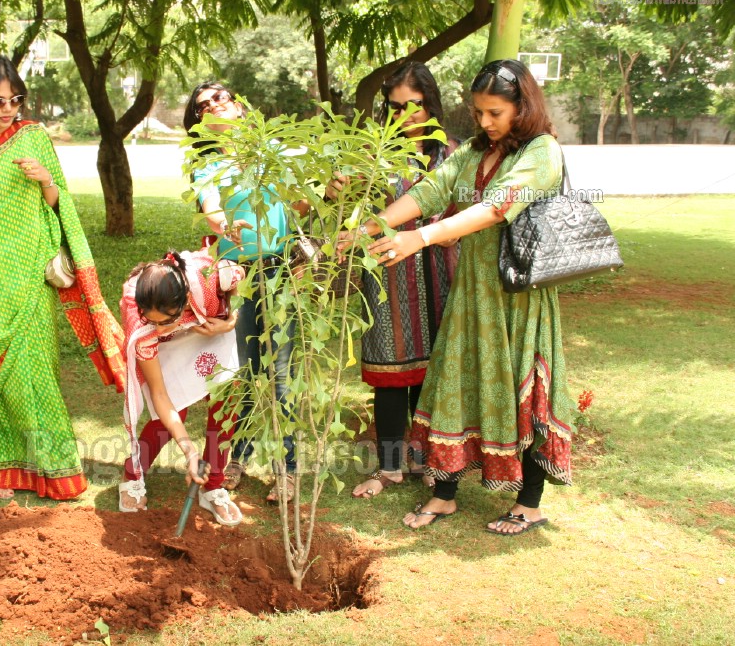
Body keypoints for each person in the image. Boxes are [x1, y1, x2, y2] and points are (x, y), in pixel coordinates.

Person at [353, 59, 574, 534]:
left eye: (495, 113)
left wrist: (423, 238)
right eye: (478, 113)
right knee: (454, 384)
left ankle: (529, 503)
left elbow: (495, 207)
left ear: (524, 105)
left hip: (518, 297)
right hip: (471, 293)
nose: (485, 123)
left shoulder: (542, 151)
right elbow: (430, 191)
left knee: (523, 389)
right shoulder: (475, 151)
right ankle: (445, 495)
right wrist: (367, 229)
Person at [0, 55, 124, 500]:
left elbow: (59, 203)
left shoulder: (34, 137)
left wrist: (46, 181)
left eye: (15, 100)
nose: (8, 109)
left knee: (37, 370)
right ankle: (2, 464)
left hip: (31, 277)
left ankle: (52, 465)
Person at [182, 81, 304, 504]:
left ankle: (288, 470)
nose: (215, 104)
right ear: (200, 120)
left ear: (237, 105)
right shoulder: (207, 166)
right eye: (204, 104)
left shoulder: (273, 151)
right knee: (244, 370)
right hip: (237, 276)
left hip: (282, 270)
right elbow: (213, 208)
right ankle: (239, 457)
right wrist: (226, 227)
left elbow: (301, 201)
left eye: (221, 97)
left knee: (282, 373)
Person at [352, 62, 459, 499]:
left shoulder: (450, 154)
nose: (402, 115)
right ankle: (391, 467)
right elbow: (357, 211)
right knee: (389, 374)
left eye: (411, 105)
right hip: (386, 279)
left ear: (429, 102)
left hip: (438, 272)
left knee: (433, 374)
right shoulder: (374, 155)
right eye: (393, 107)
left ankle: (434, 462)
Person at [118, 250, 244, 525]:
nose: (159, 327)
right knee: (173, 413)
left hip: (207, 328)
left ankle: (214, 486)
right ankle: (133, 474)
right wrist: (189, 452)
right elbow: (161, 396)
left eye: (165, 320)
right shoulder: (143, 326)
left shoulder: (212, 277)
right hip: (165, 347)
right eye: (152, 320)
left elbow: (243, 281)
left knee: (226, 398)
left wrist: (230, 321)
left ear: (186, 300)